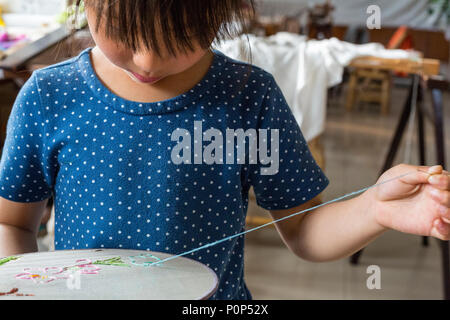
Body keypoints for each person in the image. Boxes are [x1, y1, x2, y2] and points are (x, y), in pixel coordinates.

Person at [0, 0, 448, 300]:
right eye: (123, 31)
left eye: (179, 35)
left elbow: (305, 228)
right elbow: (12, 221)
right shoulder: (49, 96)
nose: (148, 61)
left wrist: (375, 208)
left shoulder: (249, 97)